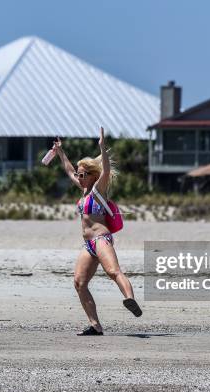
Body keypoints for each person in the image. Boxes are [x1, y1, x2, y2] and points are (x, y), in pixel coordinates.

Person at [53, 127, 142, 336]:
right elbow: (67, 170)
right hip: (88, 245)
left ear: (92, 176)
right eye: (78, 174)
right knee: (79, 283)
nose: (78, 176)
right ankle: (95, 325)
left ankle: (130, 299)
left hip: (101, 239)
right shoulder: (83, 191)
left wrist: (102, 147)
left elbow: (107, 171)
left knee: (113, 271)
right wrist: (61, 152)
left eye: (81, 174)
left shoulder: (97, 190)